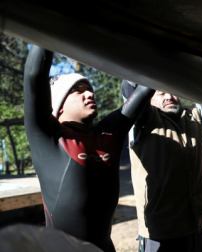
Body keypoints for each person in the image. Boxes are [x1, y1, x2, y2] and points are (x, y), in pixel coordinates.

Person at [23, 45, 155, 252]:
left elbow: (146, 88)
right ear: (58, 106)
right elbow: (34, 76)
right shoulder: (46, 135)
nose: (89, 93)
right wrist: (44, 29)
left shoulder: (109, 134)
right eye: (78, 90)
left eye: (89, 88)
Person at [122, 82, 202, 252]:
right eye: (161, 93)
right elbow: (129, 86)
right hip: (160, 232)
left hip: (197, 225)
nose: (169, 97)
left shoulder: (195, 117)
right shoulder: (143, 120)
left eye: (173, 91)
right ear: (148, 97)